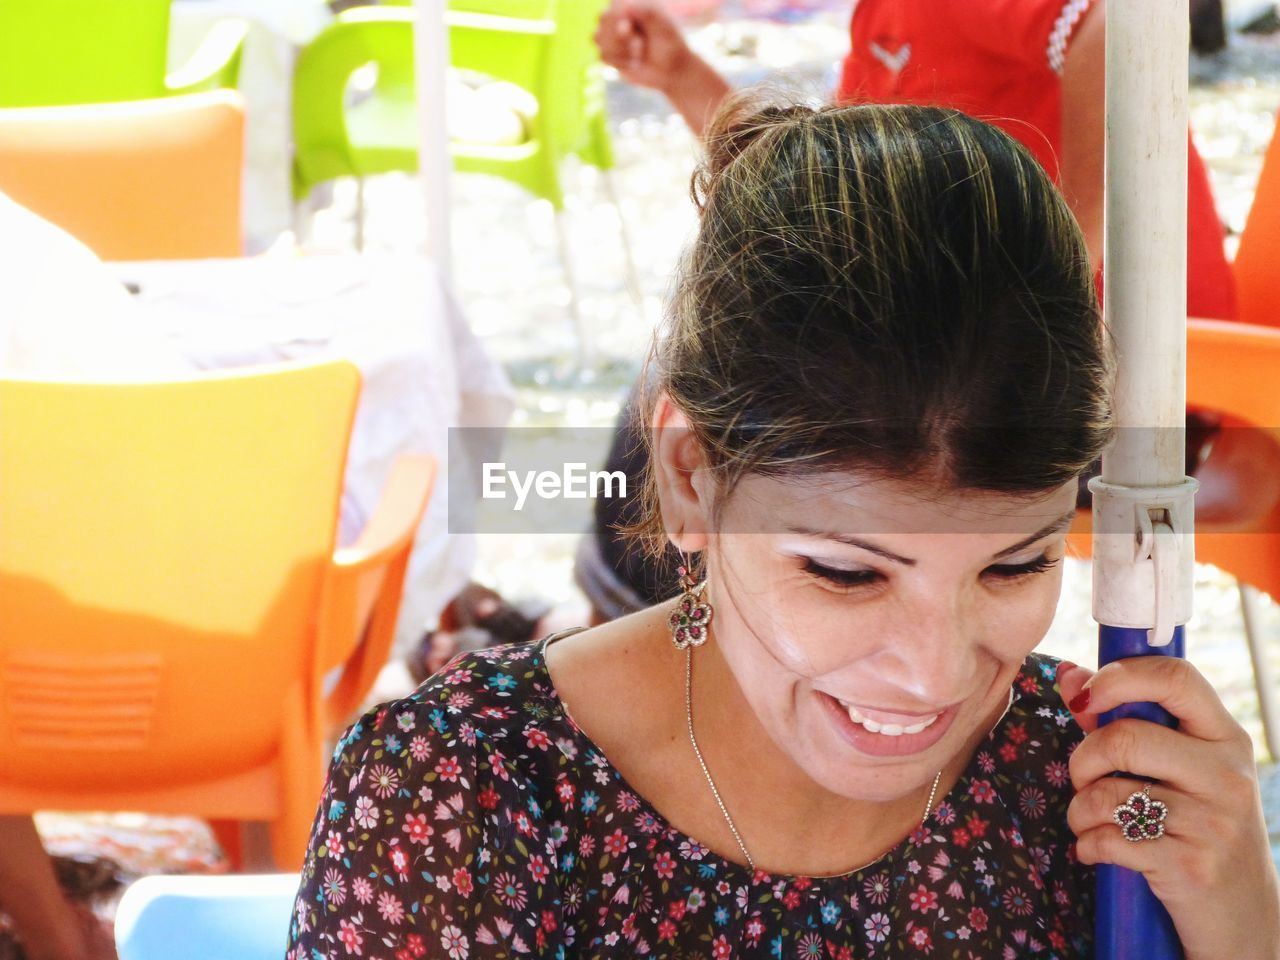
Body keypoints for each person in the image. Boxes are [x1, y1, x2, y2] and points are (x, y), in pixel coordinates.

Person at [287, 98, 1280, 957]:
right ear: (686, 478)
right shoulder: (461, 794)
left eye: (1013, 566)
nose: (933, 675)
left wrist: (1237, 920)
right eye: (847, 575)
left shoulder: (1103, 805)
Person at [595, 0, 1237, 322]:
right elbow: (815, 189)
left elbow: (1119, 24)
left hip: (1128, 365)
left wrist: (1058, 278)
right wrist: (679, 74)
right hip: (993, 354)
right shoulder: (882, 15)